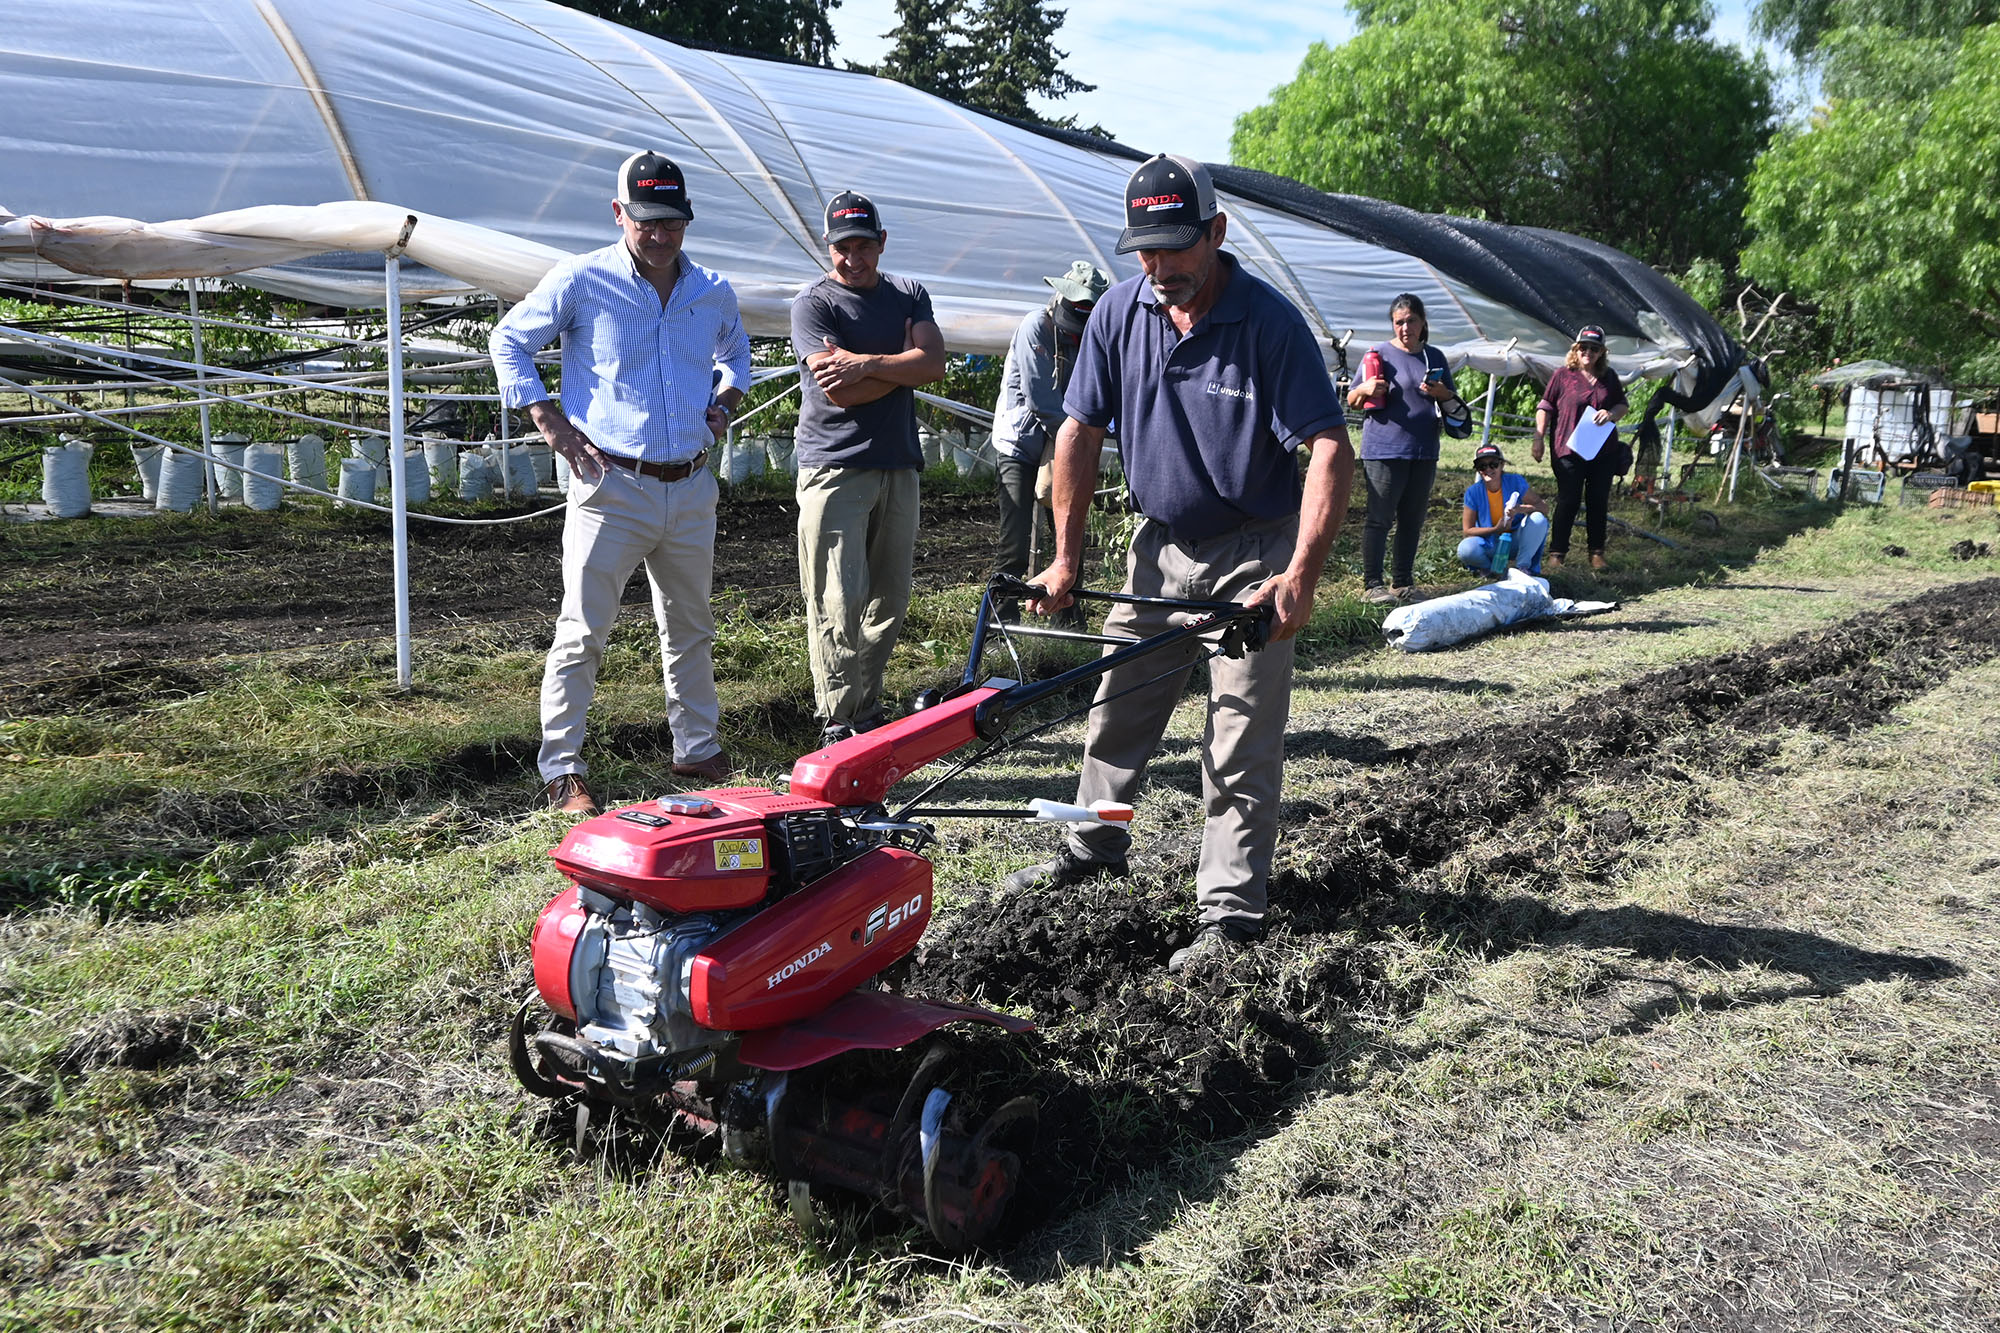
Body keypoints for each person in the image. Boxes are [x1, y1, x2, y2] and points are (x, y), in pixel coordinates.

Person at [1011, 153, 1356, 973]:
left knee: (1237, 735)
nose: (1160, 267)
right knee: (1118, 709)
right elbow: (1079, 432)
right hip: (1156, 548)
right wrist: (1063, 557)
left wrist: (1300, 576)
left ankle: (1231, 912)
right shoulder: (1119, 314)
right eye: (1146, 250)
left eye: (1175, 247)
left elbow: (1330, 446)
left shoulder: (1269, 325)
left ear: (1217, 232)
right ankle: (1094, 845)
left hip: (1252, 555)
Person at [490, 150, 750, 816]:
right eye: (646, 222)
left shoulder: (709, 290)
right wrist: (547, 418)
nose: (660, 235)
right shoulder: (581, 280)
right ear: (619, 215)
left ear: (686, 221)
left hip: (689, 484)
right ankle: (562, 767)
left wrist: (727, 397)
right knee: (583, 629)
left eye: (672, 222)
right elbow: (508, 341)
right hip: (611, 484)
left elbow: (736, 350)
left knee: (690, 625)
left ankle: (698, 748)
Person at [791, 190, 947, 744]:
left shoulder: (908, 293)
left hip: (897, 463)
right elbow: (839, 395)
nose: (852, 259)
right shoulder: (815, 305)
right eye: (841, 248)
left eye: (862, 246)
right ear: (827, 248)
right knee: (837, 597)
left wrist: (866, 363)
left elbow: (934, 365)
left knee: (888, 598)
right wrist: (902, 366)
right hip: (836, 466)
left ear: (881, 243)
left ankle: (867, 708)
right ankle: (838, 717)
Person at [991, 259, 1112, 620]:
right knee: (1013, 542)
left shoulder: (1091, 336)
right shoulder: (1036, 328)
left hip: (1060, 444)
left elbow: (1100, 396)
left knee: (1066, 537)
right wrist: (1084, 442)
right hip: (1020, 446)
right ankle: (1001, 624)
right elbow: (1042, 401)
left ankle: (1069, 624)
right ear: (1060, 297)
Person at [1346, 293, 1468, 603]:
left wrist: (1441, 392)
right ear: (1392, 324)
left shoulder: (1434, 357)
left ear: (1423, 322)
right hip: (1384, 450)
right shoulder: (1378, 354)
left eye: (1411, 321)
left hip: (1424, 450)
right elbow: (1352, 400)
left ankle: (1403, 583)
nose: (1405, 328)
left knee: (1412, 520)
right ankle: (1372, 585)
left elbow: (1449, 399)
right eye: (1398, 322)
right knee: (1379, 519)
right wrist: (1365, 388)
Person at [1531, 324, 1628, 571]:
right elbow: (1545, 406)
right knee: (1568, 499)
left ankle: (1596, 554)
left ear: (1601, 352)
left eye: (1594, 348)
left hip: (1602, 450)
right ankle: (1557, 554)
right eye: (1583, 347)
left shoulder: (1609, 378)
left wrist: (1610, 413)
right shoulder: (1563, 375)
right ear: (1576, 349)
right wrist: (1539, 437)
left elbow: (1622, 405)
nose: (1588, 352)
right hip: (1568, 450)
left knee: (1598, 500)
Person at [1456, 442, 1549, 575]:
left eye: (1493, 464)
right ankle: (1491, 570)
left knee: (1538, 519)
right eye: (1482, 466)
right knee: (1465, 549)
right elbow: (1467, 531)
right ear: (1477, 469)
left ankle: (1522, 568)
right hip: (1490, 543)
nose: (1488, 469)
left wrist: (1521, 509)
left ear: (1502, 465)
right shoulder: (1473, 492)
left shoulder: (1515, 481)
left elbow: (1544, 508)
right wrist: (1495, 529)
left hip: (1516, 541)